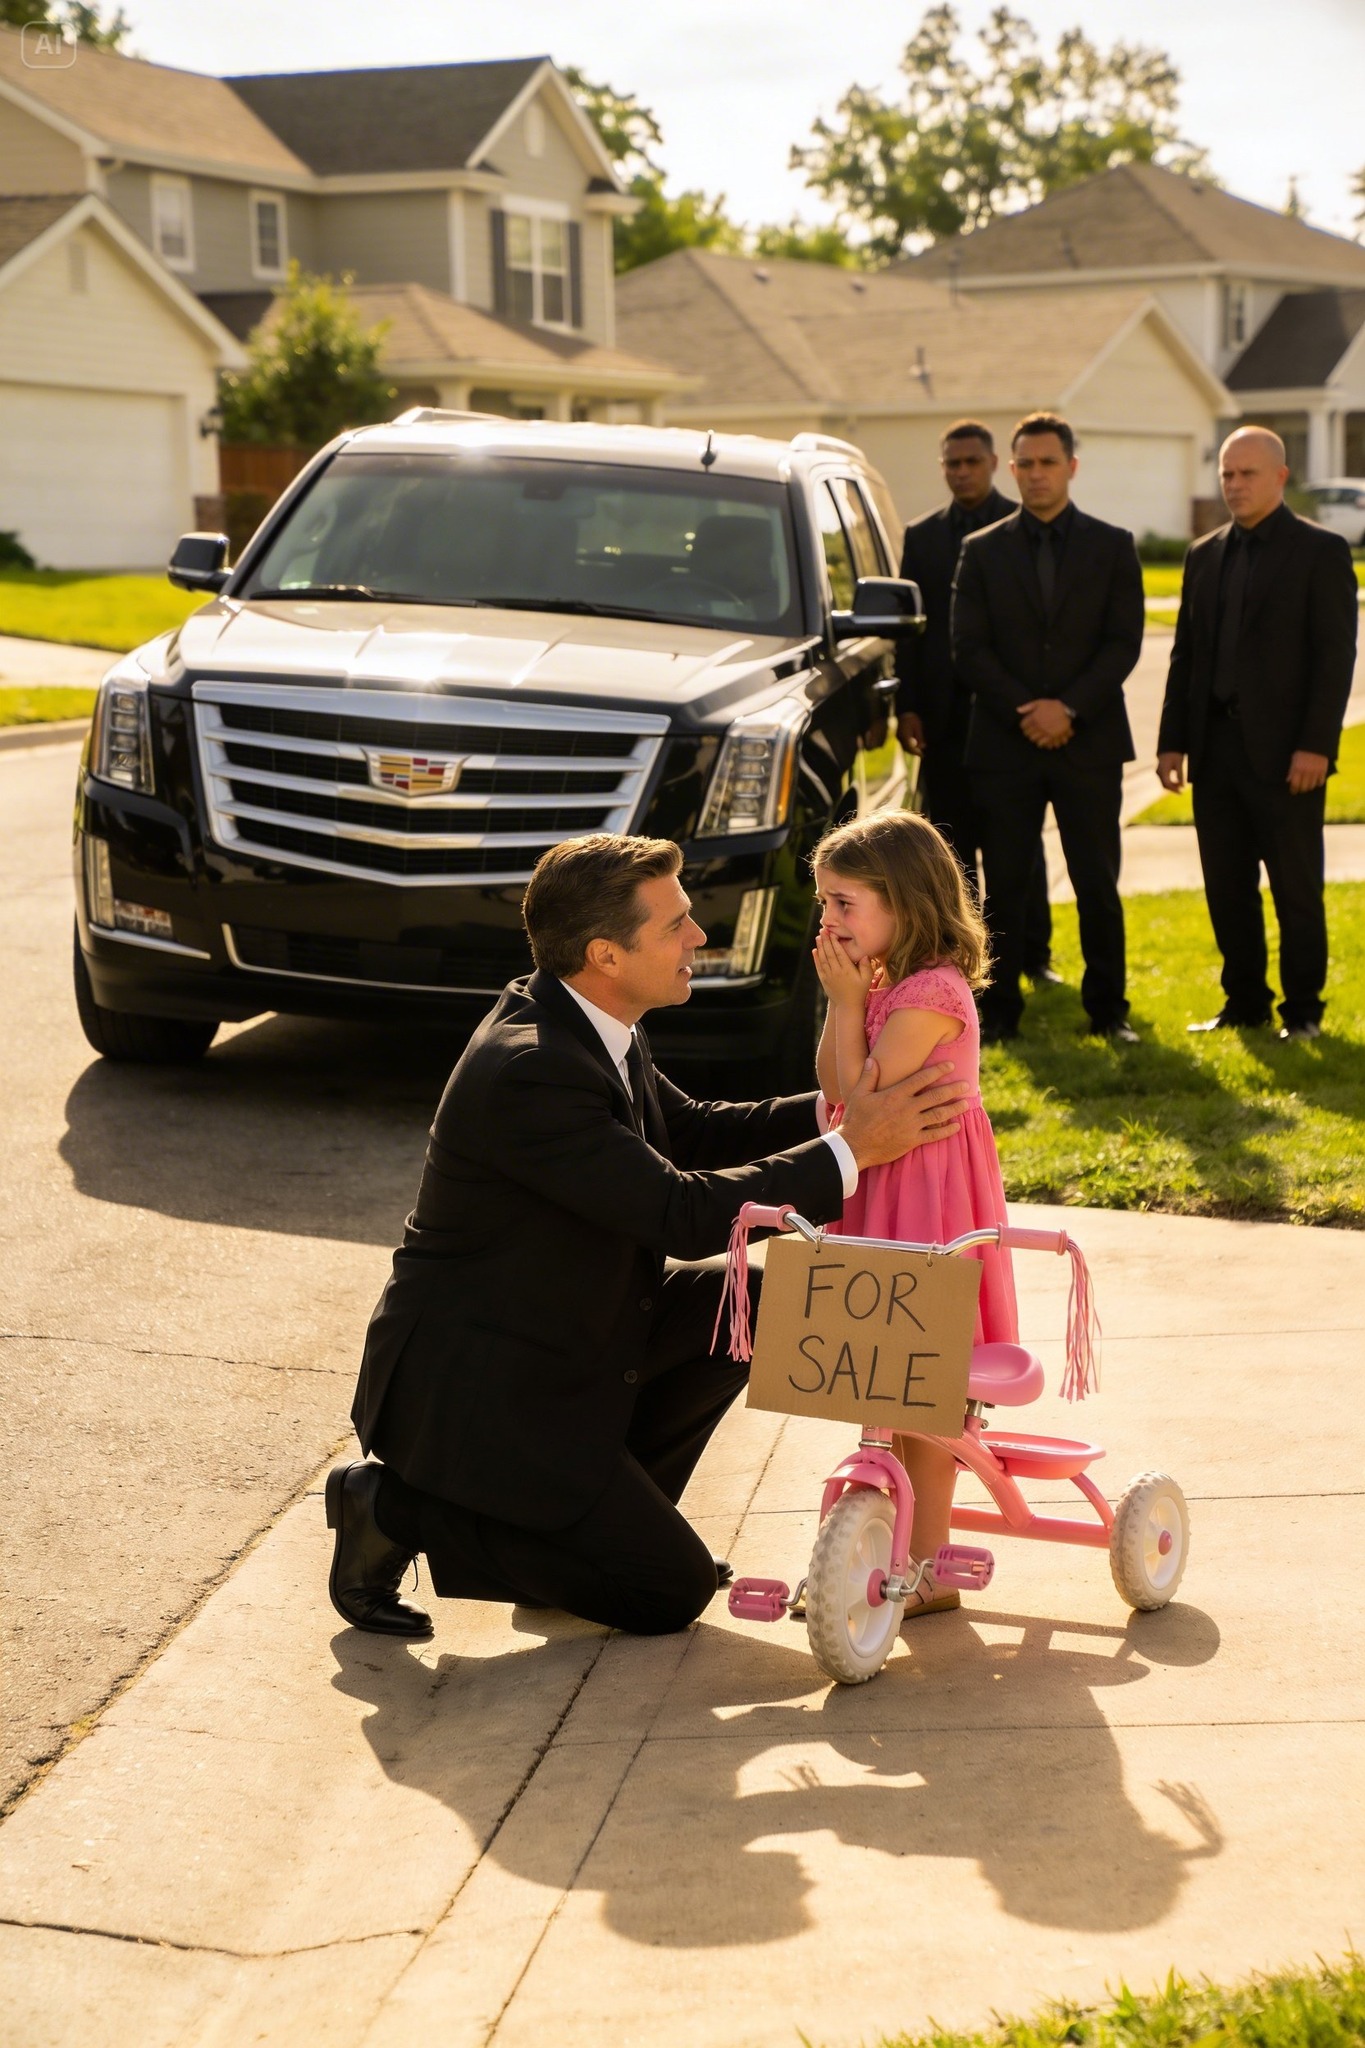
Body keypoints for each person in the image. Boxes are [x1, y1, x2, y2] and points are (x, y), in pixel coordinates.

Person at [329, 833, 971, 1642]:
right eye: (674, 926)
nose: (698, 937)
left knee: (761, 1305)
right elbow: (681, 1213)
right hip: (488, 1391)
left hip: (574, 1335)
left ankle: (598, 1526)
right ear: (605, 952)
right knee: (666, 1593)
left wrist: (835, 1116)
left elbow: (690, 1134)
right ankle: (391, 1507)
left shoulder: (592, 1020)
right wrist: (852, 1150)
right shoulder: (529, 1068)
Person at [811, 809, 1017, 1619]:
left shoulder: (931, 989)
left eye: (843, 904)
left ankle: (928, 1566)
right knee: (884, 1378)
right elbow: (835, 1092)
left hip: (927, 1198)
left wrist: (842, 1002)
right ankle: (890, 1550)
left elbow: (859, 1097)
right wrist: (842, 1002)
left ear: (903, 901)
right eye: (824, 903)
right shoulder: (881, 984)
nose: (827, 921)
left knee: (922, 1383)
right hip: (882, 1183)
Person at [1156, 427, 1358, 1041]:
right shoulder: (1204, 554)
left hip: (1290, 757)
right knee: (1227, 888)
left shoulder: (1320, 551)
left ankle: (1303, 1012)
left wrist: (1317, 745)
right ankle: (1244, 1002)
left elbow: (1335, 656)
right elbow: (1185, 655)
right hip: (1215, 755)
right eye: (1226, 475)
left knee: (1297, 890)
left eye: (1247, 474)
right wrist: (1173, 742)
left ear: (1280, 476)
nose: (1235, 485)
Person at [951, 412, 1145, 1042]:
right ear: (1013, 470)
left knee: (1096, 881)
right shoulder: (980, 551)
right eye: (1026, 464)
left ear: (1071, 467)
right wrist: (1028, 710)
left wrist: (1069, 708)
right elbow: (968, 648)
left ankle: (1108, 1012)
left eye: (1048, 462)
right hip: (1006, 744)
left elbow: (1123, 643)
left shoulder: (1114, 545)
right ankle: (1001, 1013)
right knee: (1004, 886)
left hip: (1089, 741)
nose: (1037, 474)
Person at [896, 419, 1055, 985]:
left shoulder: (1020, 528)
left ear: (993, 464)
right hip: (942, 716)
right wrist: (907, 706)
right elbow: (909, 632)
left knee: (1017, 844)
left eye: (970, 462)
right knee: (951, 844)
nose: (960, 471)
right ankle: (962, 958)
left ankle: (1032, 955)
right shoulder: (922, 537)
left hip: (1007, 714)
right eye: (951, 463)